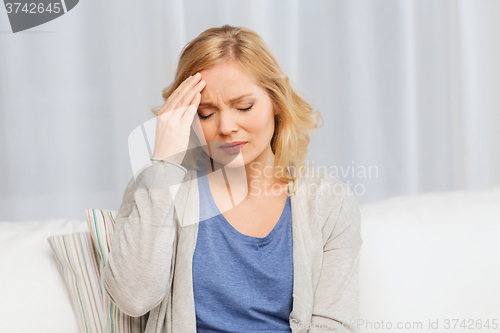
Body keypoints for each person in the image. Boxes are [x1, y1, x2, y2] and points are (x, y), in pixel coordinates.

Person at [102, 25, 363, 333]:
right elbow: (134, 299)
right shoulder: (162, 184)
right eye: (206, 113)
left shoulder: (329, 203)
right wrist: (164, 163)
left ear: (276, 102)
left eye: (244, 107)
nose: (226, 126)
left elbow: (333, 324)